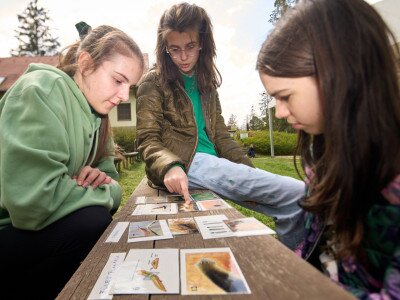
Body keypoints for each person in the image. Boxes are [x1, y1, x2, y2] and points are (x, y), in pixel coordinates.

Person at [257, 0, 400, 298]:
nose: (279, 112)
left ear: (338, 76)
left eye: (284, 96)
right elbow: (317, 246)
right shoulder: (323, 154)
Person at [136, 2, 305, 250]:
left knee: (293, 203)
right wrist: (170, 165)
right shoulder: (153, 81)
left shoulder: (207, 83)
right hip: (183, 165)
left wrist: (247, 169)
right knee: (298, 194)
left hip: (211, 164)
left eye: (190, 47)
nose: (183, 56)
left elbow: (221, 135)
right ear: (164, 48)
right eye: (174, 49)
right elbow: (147, 139)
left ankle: (301, 267)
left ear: (202, 43)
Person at [0, 22, 144, 299]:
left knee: (95, 219)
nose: (125, 96)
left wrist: (104, 186)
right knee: (91, 221)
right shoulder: (41, 91)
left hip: (35, 237)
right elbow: (32, 204)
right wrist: (101, 191)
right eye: (118, 80)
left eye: (130, 86)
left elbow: (114, 185)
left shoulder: (100, 119)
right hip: (8, 231)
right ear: (86, 63)